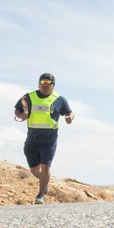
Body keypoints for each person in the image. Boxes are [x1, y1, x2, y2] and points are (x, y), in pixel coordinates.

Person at [13, 73, 74, 204]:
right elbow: (17, 110)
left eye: (47, 83)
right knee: (35, 170)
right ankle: (44, 183)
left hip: (49, 139)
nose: (44, 85)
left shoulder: (59, 99)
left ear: (53, 85)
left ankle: (40, 196)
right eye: (42, 83)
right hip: (32, 139)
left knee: (46, 167)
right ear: (39, 83)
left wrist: (70, 118)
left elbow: (69, 112)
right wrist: (21, 115)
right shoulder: (28, 97)